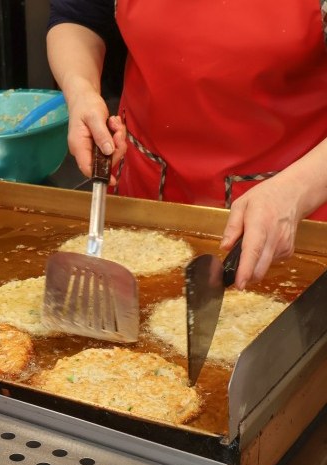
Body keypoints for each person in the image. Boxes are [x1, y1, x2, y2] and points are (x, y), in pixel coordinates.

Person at [46, 1, 327, 289]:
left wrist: (296, 190)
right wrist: (80, 89)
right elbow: (79, 17)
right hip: (142, 203)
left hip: (293, 216)